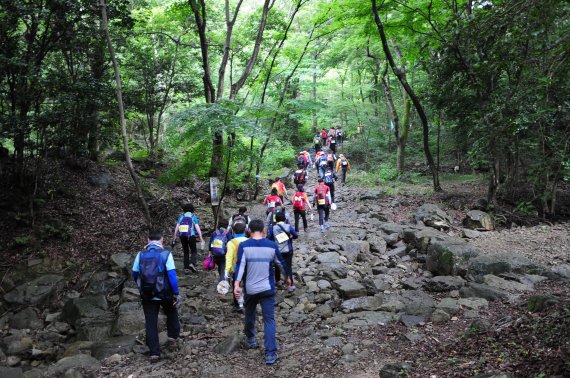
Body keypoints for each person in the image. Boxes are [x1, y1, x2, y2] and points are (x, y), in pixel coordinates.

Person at [233, 219, 292, 365]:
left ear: (249, 231)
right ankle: (270, 354)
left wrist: (236, 284)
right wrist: (288, 278)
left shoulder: (244, 246)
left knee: (249, 313)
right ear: (264, 231)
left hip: (250, 289)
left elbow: (240, 266)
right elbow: (281, 263)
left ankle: (251, 339)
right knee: (269, 320)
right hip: (267, 288)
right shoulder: (271, 245)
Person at [133, 229, 180, 363]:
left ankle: (154, 353)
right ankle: (172, 337)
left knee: (150, 321)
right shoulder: (166, 253)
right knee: (171, 311)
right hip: (165, 293)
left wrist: (141, 286)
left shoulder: (140, 254)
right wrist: (175, 293)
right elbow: (171, 276)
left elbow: (135, 273)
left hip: (147, 294)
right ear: (162, 240)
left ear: (148, 240)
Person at [172, 204, 204, 274]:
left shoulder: (181, 216)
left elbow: (177, 227)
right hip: (191, 235)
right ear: (192, 209)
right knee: (193, 250)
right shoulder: (193, 216)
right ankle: (192, 263)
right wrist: (200, 236)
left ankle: (186, 268)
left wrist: (174, 237)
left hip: (182, 235)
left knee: (186, 251)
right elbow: (197, 227)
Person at [272, 212, 298, 292]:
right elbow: (296, 235)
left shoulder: (273, 228)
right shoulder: (288, 226)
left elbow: (269, 237)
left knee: (277, 266)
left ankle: (278, 281)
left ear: (276, 219)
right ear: (285, 219)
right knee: (288, 266)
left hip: (277, 251)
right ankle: (290, 285)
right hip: (288, 250)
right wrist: (290, 238)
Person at [225, 222, 248, 312]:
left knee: (236, 285)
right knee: (246, 285)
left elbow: (229, 257)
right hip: (247, 267)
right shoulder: (248, 240)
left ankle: (237, 304)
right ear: (245, 231)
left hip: (236, 268)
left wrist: (227, 271)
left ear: (233, 232)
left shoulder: (231, 242)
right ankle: (247, 302)